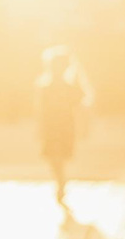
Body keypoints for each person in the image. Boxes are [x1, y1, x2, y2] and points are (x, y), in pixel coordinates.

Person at [34, 47, 92, 212]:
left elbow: (82, 102)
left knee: (60, 156)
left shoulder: (69, 86)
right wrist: (39, 128)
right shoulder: (44, 86)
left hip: (64, 126)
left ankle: (60, 182)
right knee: (53, 157)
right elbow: (40, 110)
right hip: (51, 127)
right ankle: (60, 181)